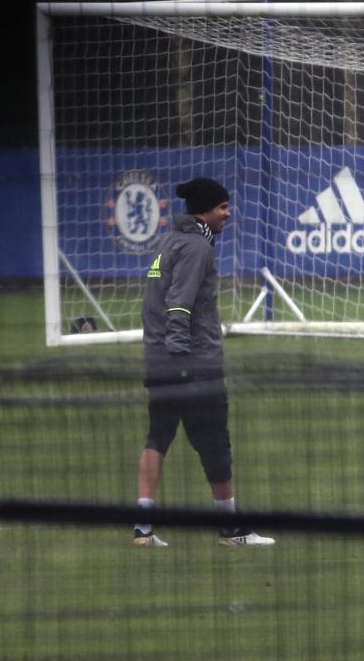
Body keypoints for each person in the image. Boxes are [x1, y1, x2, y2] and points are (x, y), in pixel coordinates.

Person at [133, 178, 274, 548]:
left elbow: (153, 307)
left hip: (160, 360)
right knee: (215, 443)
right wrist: (182, 361)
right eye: (223, 207)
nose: (228, 214)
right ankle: (231, 530)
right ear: (205, 211)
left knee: (158, 437)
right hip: (191, 364)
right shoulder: (196, 247)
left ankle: (143, 528)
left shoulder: (168, 243)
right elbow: (178, 304)